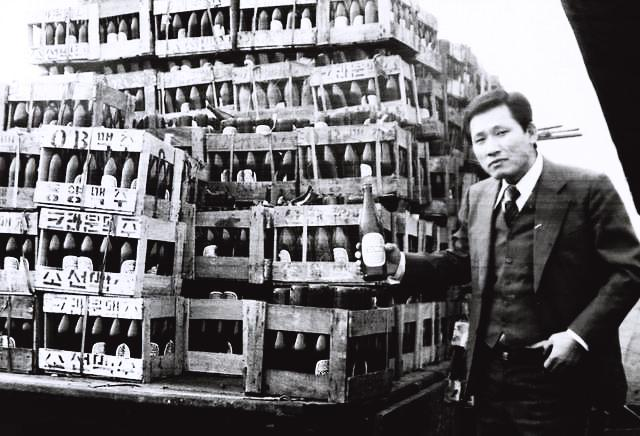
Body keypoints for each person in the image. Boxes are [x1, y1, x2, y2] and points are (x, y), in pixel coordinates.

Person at [381, 89, 640, 435]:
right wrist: (401, 264)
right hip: (489, 376)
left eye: (501, 132)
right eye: (480, 139)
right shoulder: (479, 195)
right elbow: (461, 260)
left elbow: (629, 271)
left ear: (531, 133)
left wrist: (578, 336)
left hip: (558, 378)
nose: (491, 148)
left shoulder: (587, 188)